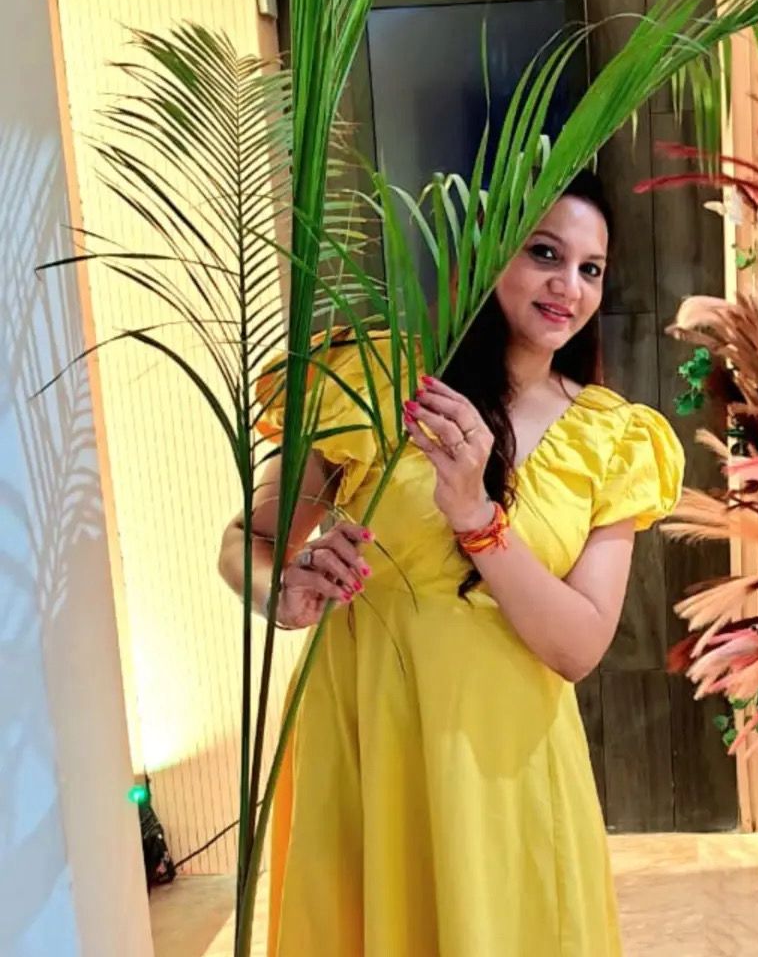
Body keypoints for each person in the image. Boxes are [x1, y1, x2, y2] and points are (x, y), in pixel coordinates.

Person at [218, 170, 685, 956]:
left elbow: (577, 647)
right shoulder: (371, 383)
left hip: (511, 771)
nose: (567, 285)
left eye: (590, 268)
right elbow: (247, 542)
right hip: (370, 747)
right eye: (544, 252)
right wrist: (282, 589)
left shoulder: (614, 438)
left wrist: (477, 518)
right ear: (488, 252)